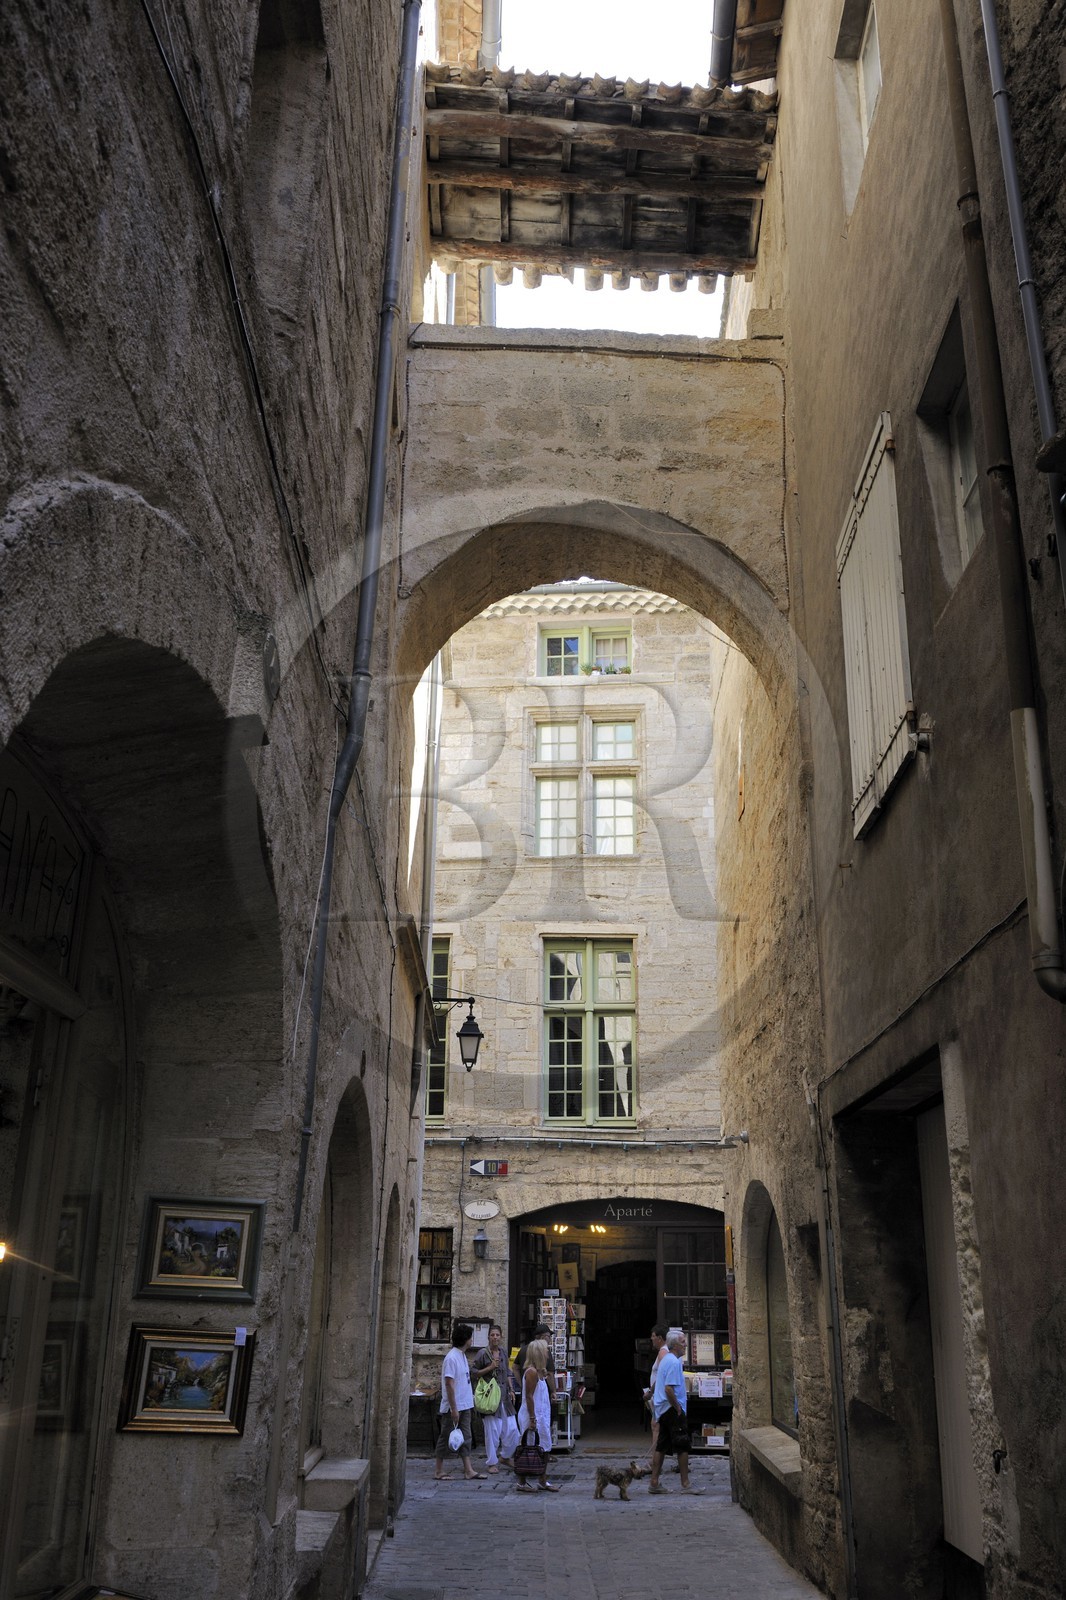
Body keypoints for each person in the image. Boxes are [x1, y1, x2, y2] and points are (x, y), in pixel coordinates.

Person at [649, 1332, 705, 1495]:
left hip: (663, 1409)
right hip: (672, 1409)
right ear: (675, 1345)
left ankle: (654, 1482)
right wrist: (678, 1408)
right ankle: (686, 1483)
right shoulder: (673, 1362)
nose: (686, 1344)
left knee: (661, 1445)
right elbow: (668, 1388)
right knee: (682, 1445)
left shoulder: (666, 1359)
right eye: (682, 1342)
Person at [434, 1322, 487, 1481]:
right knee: (445, 1437)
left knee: (466, 1437)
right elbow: (449, 1384)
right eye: (470, 1338)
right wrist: (453, 1408)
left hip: (465, 1404)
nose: (472, 1341)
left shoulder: (462, 1356)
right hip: (455, 1406)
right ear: (465, 1339)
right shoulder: (451, 1358)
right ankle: (438, 1470)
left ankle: (468, 1469)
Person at [515, 1338, 558, 1492]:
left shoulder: (540, 1372)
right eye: (545, 1350)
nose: (547, 1353)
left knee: (544, 1447)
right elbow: (529, 1396)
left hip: (541, 1415)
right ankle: (521, 1481)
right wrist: (532, 1418)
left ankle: (542, 1479)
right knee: (529, 1447)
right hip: (533, 1415)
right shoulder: (531, 1372)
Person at [472, 1322, 514, 1473]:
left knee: (512, 1429)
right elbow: (474, 1372)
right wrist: (489, 1368)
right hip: (490, 1397)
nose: (495, 1337)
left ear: (501, 1337)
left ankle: (505, 1456)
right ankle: (492, 1462)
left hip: (504, 1397)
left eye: (497, 1335)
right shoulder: (483, 1353)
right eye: (492, 1335)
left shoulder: (503, 1352)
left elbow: (508, 1372)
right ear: (488, 1337)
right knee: (492, 1431)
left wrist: (511, 1389)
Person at [642, 1323, 669, 1463]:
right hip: (661, 1395)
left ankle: (655, 1462)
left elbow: (662, 1376)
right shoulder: (665, 1351)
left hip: (660, 1396)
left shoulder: (663, 1352)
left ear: (659, 1338)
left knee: (656, 1426)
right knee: (659, 1426)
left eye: (652, 1337)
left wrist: (651, 1392)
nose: (651, 1339)